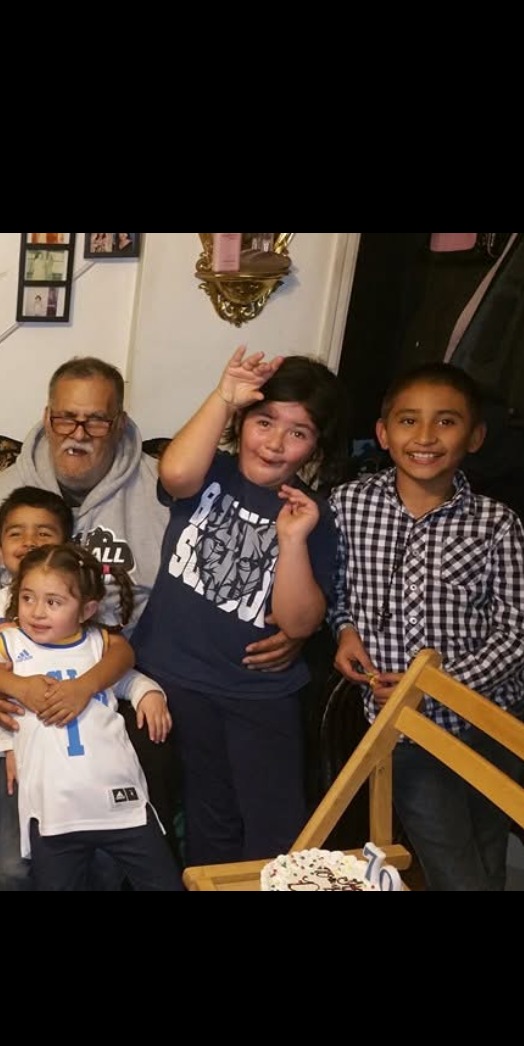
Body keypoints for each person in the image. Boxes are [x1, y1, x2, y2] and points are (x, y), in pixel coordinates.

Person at [0, 357, 304, 890]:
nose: (78, 433)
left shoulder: (159, 490)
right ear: (47, 416)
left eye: (96, 420)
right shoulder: (2, 495)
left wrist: (287, 628)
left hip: (119, 664)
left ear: (119, 422)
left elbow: (199, 580)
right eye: (66, 418)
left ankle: (131, 858)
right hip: (13, 671)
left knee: (157, 726)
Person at [330, 362, 524, 890]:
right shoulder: (348, 505)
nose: (425, 436)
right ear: (383, 433)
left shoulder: (496, 523)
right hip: (402, 728)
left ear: (475, 436)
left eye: (446, 422)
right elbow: (336, 592)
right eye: (408, 421)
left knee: (487, 854)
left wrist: (437, 685)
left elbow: (519, 629)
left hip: (491, 723)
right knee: (452, 867)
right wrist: (344, 629)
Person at [134, 348, 346, 869]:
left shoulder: (311, 514)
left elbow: (299, 622)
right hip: (175, 676)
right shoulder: (212, 471)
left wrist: (292, 540)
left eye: (298, 432)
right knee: (211, 817)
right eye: (264, 421)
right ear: (240, 422)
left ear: (315, 447)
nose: (274, 442)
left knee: (277, 830)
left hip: (256, 692)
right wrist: (224, 396)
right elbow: (175, 473)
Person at [0, 543, 179, 891]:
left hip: (120, 804)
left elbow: (126, 678)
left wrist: (149, 694)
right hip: (53, 815)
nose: (37, 612)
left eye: (53, 602)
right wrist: (10, 737)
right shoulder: (9, 644)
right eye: (27, 598)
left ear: (87, 609)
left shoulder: (98, 645)